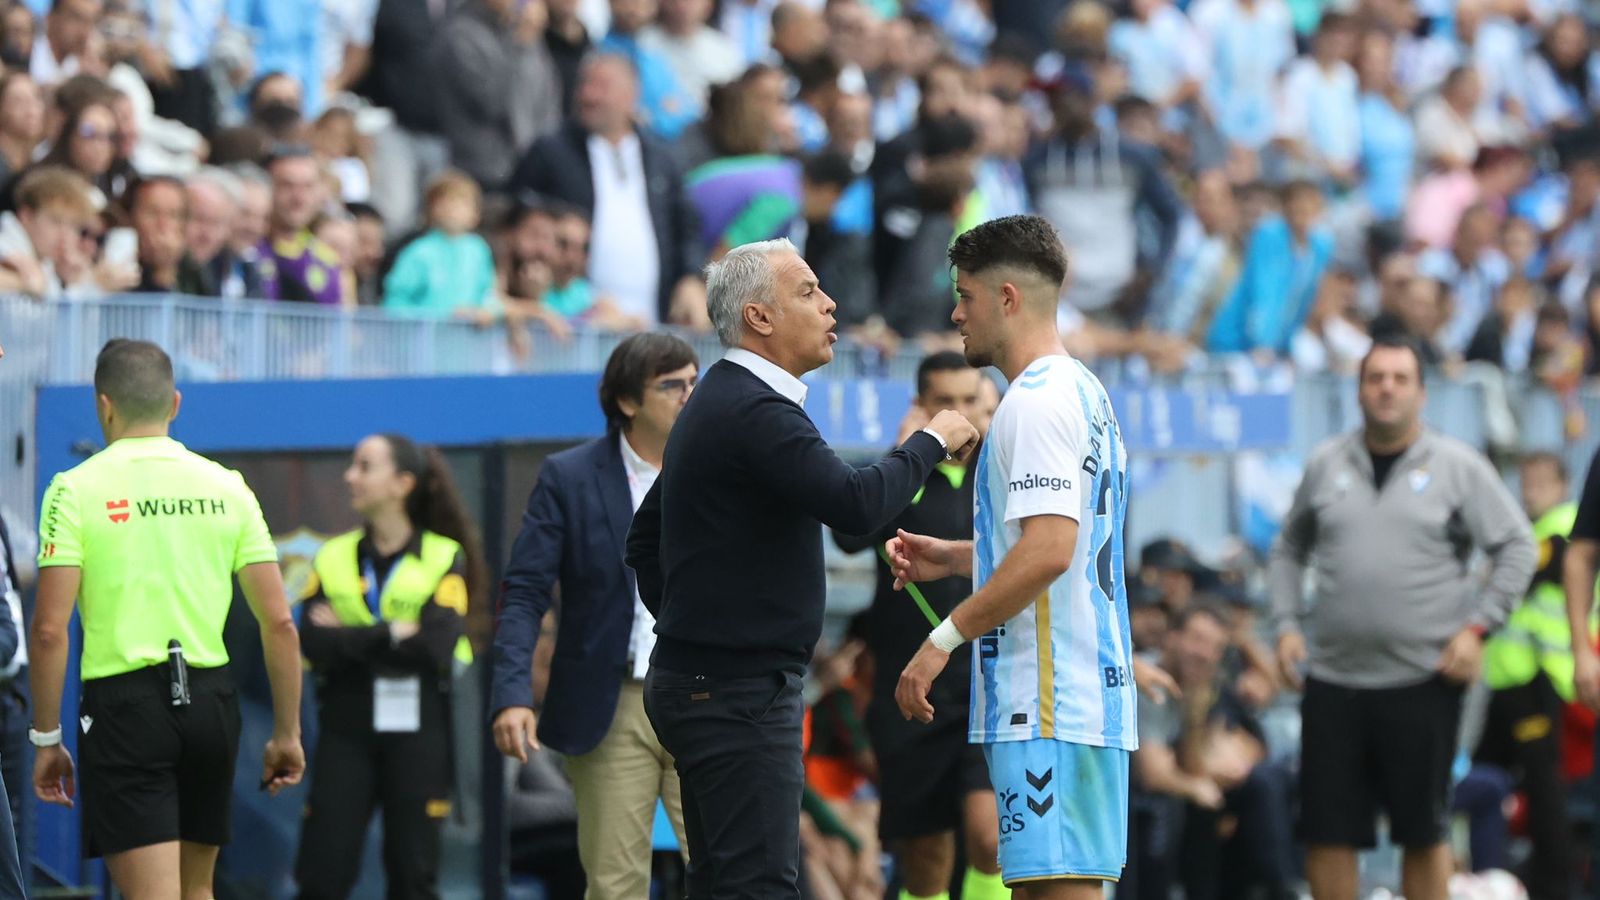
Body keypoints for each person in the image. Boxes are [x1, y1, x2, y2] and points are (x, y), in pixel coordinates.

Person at [625, 237, 979, 897]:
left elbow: (644, 542)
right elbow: (854, 505)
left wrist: (694, 627)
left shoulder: (726, 400)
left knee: (724, 885)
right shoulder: (754, 407)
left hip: (711, 684)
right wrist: (932, 438)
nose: (830, 303)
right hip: (736, 693)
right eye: (808, 291)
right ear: (759, 317)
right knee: (757, 887)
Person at [887, 214, 1139, 899]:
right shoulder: (1081, 389)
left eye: (965, 295)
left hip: (1052, 704)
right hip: (1071, 699)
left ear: (1007, 298)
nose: (954, 312)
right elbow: (1059, 544)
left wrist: (941, 638)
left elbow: (1052, 552)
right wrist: (960, 555)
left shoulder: (1033, 403)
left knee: (1056, 893)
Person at [31, 339, 306, 900]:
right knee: (196, 891)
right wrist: (286, 733)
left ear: (103, 405)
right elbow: (280, 623)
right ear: (175, 403)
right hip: (212, 704)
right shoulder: (227, 486)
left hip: (125, 708)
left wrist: (46, 738)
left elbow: (48, 630)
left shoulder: (75, 489)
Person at [1271, 335, 1536, 900]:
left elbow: (1517, 545)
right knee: (1327, 831)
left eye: (1399, 378)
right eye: (1375, 378)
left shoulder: (1457, 467)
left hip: (1423, 679)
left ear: (1421, 393)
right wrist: (1288, 624)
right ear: (1359, 389)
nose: (1386, 389)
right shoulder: (1325, 464)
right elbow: (1289, 548)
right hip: (1334, 680)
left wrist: (1478, 629)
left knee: (1424, 832)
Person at [491, 332, 699, 900]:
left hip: (707, 693)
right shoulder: (570, 475)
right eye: (671, 385)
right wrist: (513, 692)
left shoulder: (719, 469)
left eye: (693, 382)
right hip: (612, 703)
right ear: (628, 401)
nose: (689, 395)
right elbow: (526, 590)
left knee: (730, 875)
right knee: (613, 883)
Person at [831, 351, 1008, 900]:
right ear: (921, 407)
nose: (961, 414)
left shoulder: (1004, 473)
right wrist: (910, 452)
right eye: (945, 403)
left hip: (990, 685)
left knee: (990, 838)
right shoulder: (901, 471)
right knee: (925, 856)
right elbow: (849, 534)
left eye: (970, 401)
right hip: (910, 687)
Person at [293, 433, 483, 900]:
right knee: (322, 874)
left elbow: (437, 646)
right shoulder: (333, 556)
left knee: (414, 875)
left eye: (364, 466)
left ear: (402, 483)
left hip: (420, 727)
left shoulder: (444, 555)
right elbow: (313, 641)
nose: (349, 476)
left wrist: (352, 634)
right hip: (345, 724)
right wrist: (394, 631)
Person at [1479, 451, 1576, 900]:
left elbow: (1527, 570)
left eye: (1541, 480)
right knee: (1480, 781)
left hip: (1542, 681)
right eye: (1526, 480)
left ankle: (1554, 888)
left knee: (1544, 788)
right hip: (1507, 682)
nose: (1530, 489)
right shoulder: (1531, 533)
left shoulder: (1565, 526)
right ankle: (1483, 876)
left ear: (1562, 486)